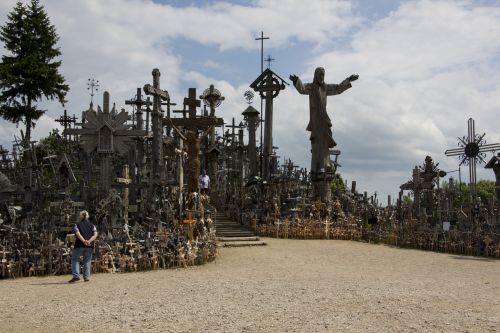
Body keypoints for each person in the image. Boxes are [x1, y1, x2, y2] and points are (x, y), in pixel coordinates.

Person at [290, 68, 358, 174]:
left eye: (323, 75)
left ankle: (324, 165)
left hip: (324, 119)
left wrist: (348, 80)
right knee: (317, 142)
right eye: (320, 75)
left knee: (324, 142)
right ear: (316, 75)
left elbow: (338, 89)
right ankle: (316, 166)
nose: (322, 77)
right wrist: (296, 81)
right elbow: (302, 89)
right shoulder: (312, 87)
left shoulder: (325, 87)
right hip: (316, 118)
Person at [69, 210, 97, 283]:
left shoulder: (76, 225)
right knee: (87, 261)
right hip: (89, 246)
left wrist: (83, 241)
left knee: (75, 259)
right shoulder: (92, 225)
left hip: (79, 245)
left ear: (80, 216)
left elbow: (78, 233)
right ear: (88, 216)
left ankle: (76, 276)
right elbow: (95, 234)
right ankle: (86, 277)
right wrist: (89, 241)